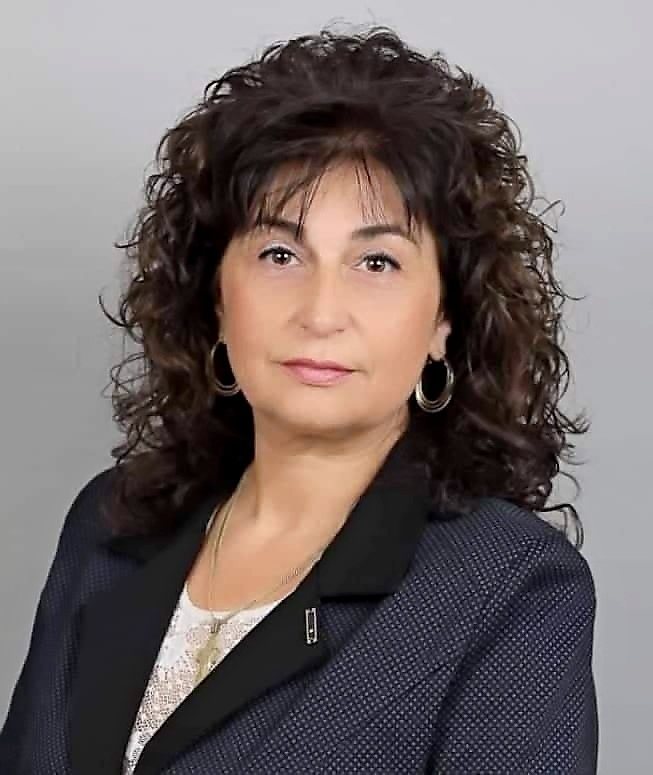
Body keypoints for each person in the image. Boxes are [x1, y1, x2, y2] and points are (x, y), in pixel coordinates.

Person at [0, 23, 598, 775]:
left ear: (445, 319)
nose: (320, 312)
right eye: (280, 253)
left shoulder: (509, 588)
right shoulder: (109, 524)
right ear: (216, 295)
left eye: (376, 262)